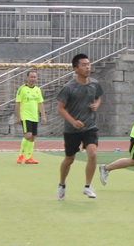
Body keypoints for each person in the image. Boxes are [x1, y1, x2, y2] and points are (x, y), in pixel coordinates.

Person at [57, 54, 103, 200]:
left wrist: (96, 104)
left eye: (88, 64)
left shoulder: (95, 83)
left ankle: (88, 186)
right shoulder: (68, 87)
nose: (88, 67)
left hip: (90, 126)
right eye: (84, 65)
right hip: (72, 129)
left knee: (93, 154)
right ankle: (62, 184)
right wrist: (73, 122)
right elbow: (60, 108)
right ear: (76, 69)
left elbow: (98, 97)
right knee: (69, 159)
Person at [15, 70, 47, 164]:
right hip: (25, 116)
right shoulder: (22, 89)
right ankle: (21, 155)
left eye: (34, 77)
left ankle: (28, 157)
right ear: (27, 78)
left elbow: (40, 103)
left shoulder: (37, 89)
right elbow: (17, 103)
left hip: (34, 117)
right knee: (28, 135)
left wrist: (43, 116)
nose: (33, 79)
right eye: (31, 77)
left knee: (33, 137)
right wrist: (18, 117)